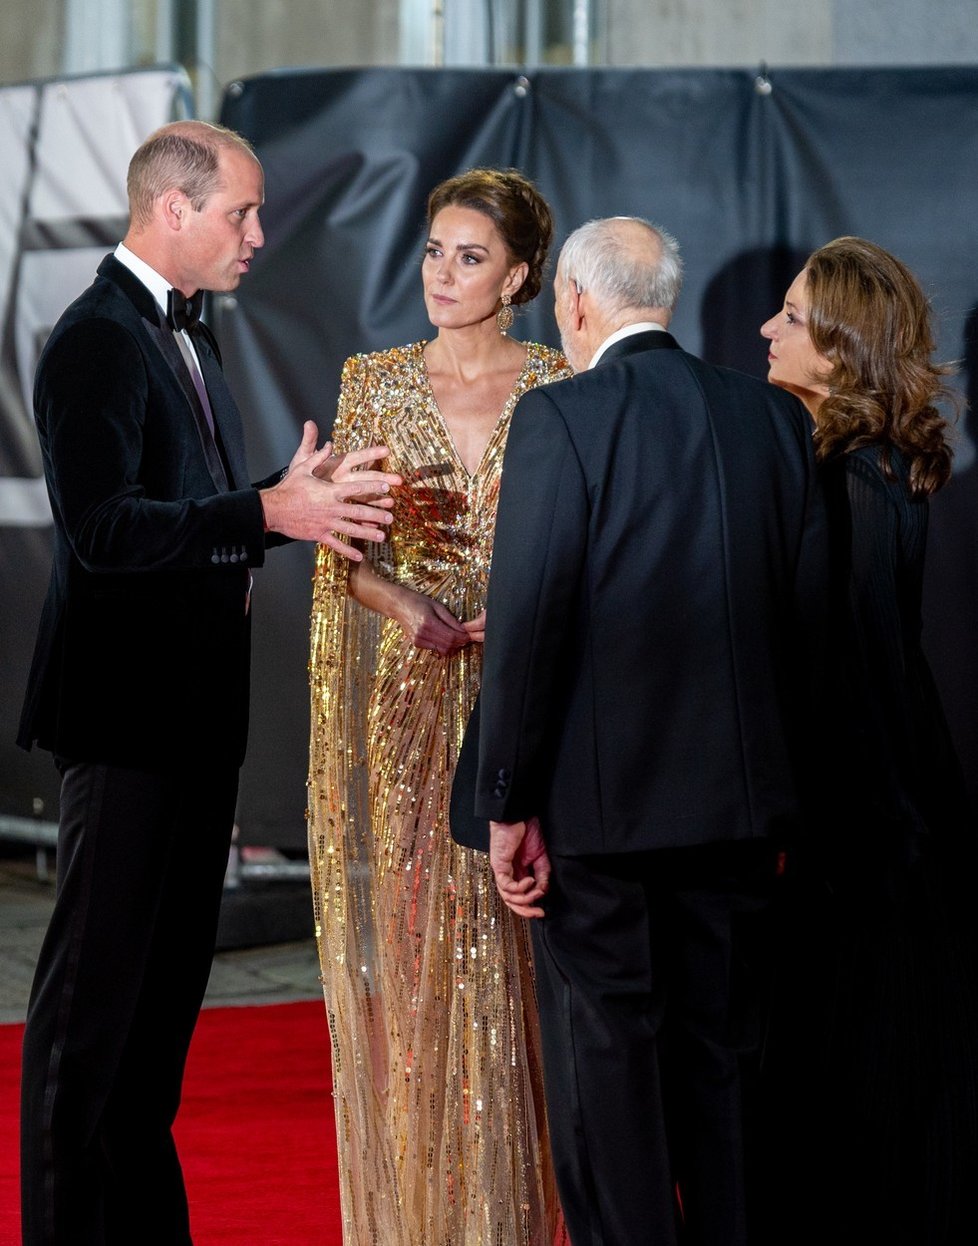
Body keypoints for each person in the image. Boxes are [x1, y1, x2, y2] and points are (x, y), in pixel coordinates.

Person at [17, 120, 400, 1246]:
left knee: (157, 1020)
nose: (258, 235)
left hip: (191, 724)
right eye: (242, 213)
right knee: (90, 1017)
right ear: (170, 210)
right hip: (126, 720)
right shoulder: (95, 338)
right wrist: (265, 510)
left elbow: (192, 519)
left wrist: (292, 497)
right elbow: (102, 532)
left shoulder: (191, 335)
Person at [450, 216, 829, 1246]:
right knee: (724, 1067)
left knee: (608, 1076)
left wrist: (504, 803)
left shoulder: (560, 418)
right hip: (742, 816)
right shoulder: (770, 421)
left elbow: (527, 623)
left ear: (575, 304)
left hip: (598, 826)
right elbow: (805, 625)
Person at [306, 168, 571, 1245]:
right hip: (415, 700)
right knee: (423, 952)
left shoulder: (559, 380)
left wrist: (528, 617)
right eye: (431, 251)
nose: (442, 275)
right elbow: (343, 555)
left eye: (469, 257)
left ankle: (519, 1208)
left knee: (523, 953)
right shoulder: (372, 379)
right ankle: (428, 1211)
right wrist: (400, 598)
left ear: (517, 274)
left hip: (532, 692)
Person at [760, 236, 978, 1245]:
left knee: (852, 1062)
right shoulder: (886, 467)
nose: (768, 328)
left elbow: (831, 670)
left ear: (842, 349)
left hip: (855, 820)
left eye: (794, 317)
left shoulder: (840, 480)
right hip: (895, 801)